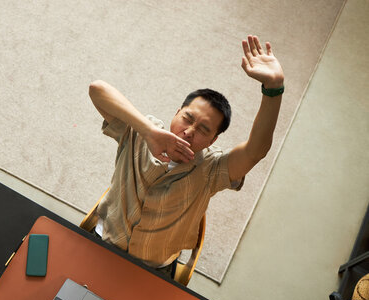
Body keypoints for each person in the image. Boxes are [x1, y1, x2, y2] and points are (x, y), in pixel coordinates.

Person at [88, 35, 284, 276]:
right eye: (187, 118)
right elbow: (97, 89)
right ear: (177, 112)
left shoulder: (213, 169)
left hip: (152, 269)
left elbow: (257, 151)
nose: (189, 131)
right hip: (103, 241)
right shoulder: (142, 130)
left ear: (213, 140)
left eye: (203, 130)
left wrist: (273, 89)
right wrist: (149, 131)